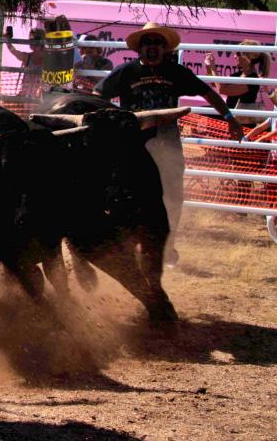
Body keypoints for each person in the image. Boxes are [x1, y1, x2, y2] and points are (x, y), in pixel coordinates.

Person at [96, 21, 243, 266]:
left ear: (165, 48)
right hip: (133, 146)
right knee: (124, 195)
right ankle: (126, 245)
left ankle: (167, 246)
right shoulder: (125, 72)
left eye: (157, 43)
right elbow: (98, 95)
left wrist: (229, 117)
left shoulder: (176, 72)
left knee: (173, 196)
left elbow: (208, 93)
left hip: (167, 143)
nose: (152, 48)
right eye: (147, 43)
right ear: (139, 49)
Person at [204, 41, 271, 128]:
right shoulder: (239, 74)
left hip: (239, 122)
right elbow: (215, 83)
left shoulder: (252, 79)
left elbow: (222, 90)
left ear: (247, 57)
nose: (235, 56)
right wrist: (208, 67)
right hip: (230, 115)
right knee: (197, 111)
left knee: (199, 112)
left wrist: (213, 67)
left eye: (238, 54)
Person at [5, 27, 46, 99]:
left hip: (42, 97)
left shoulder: (49, 60)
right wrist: (8, 42)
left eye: (36, 39)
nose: (32, 42)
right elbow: (14, 51)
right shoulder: (27, 57)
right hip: (27, 96)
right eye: (30, 39)